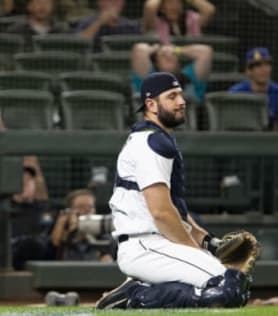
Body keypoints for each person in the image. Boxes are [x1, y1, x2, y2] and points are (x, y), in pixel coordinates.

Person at [95, 72, 251, 309]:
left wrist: (209, 243)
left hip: (155, 244)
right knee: (227, 289)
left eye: (180, 94)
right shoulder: (150, 143)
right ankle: (136, 294)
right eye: (172, 96)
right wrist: (195, 251)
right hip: (146, 244)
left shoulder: (154, 139)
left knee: (236, 285)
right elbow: (161, 212)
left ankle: (140, 290)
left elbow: (174, 209)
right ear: (151, 104)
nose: (181, 101)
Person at [131, 42, 212, 104]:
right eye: (163, 55)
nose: (169, 56)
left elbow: (205, 51)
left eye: (173, 54)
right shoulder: (148, 78)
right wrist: (156, 48)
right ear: (156, 62)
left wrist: (176, 49)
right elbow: (139, 49)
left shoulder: (190, 76)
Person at [229, 47, 278, 131]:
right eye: (258, 65)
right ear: (248, 71)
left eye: (267, 64)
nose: (264, 69)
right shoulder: (236, 93)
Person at [50, 189, 113, 262]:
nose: (87, 210)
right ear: (69, 210)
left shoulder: (103, 235)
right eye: (80, 207)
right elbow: (54, 245)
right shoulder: (61, 232)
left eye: (90, 207)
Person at [75, 0, 140, 51]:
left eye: (117, 1)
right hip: (93, 65)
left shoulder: (130, 25)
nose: (113, 3)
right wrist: (99, 22)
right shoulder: (88, 22)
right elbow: (76, 44)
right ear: (99, 2)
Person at [143, 0, 215, 44]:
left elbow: (209, 9)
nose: (174, 6)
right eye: (170, 2)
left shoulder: (191, 19)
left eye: (178, 2)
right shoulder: (157, 22)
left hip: (188, 61)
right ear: (162, 8)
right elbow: (150, 6)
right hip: (163, 64)